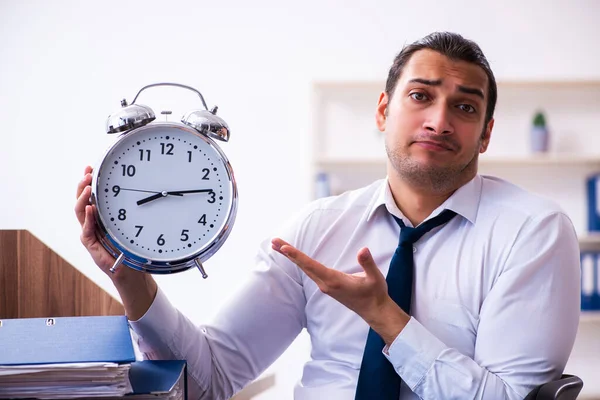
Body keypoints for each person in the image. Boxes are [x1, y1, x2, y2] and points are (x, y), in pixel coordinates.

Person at [75, 32, 581, 400]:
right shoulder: (316, 230)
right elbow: (207, 382)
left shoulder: (532, 232)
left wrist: (386, 318)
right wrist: (130, 278)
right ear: (383, 111)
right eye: (421, 96)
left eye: (465, 108)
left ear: (486, 134)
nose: (439, 120)